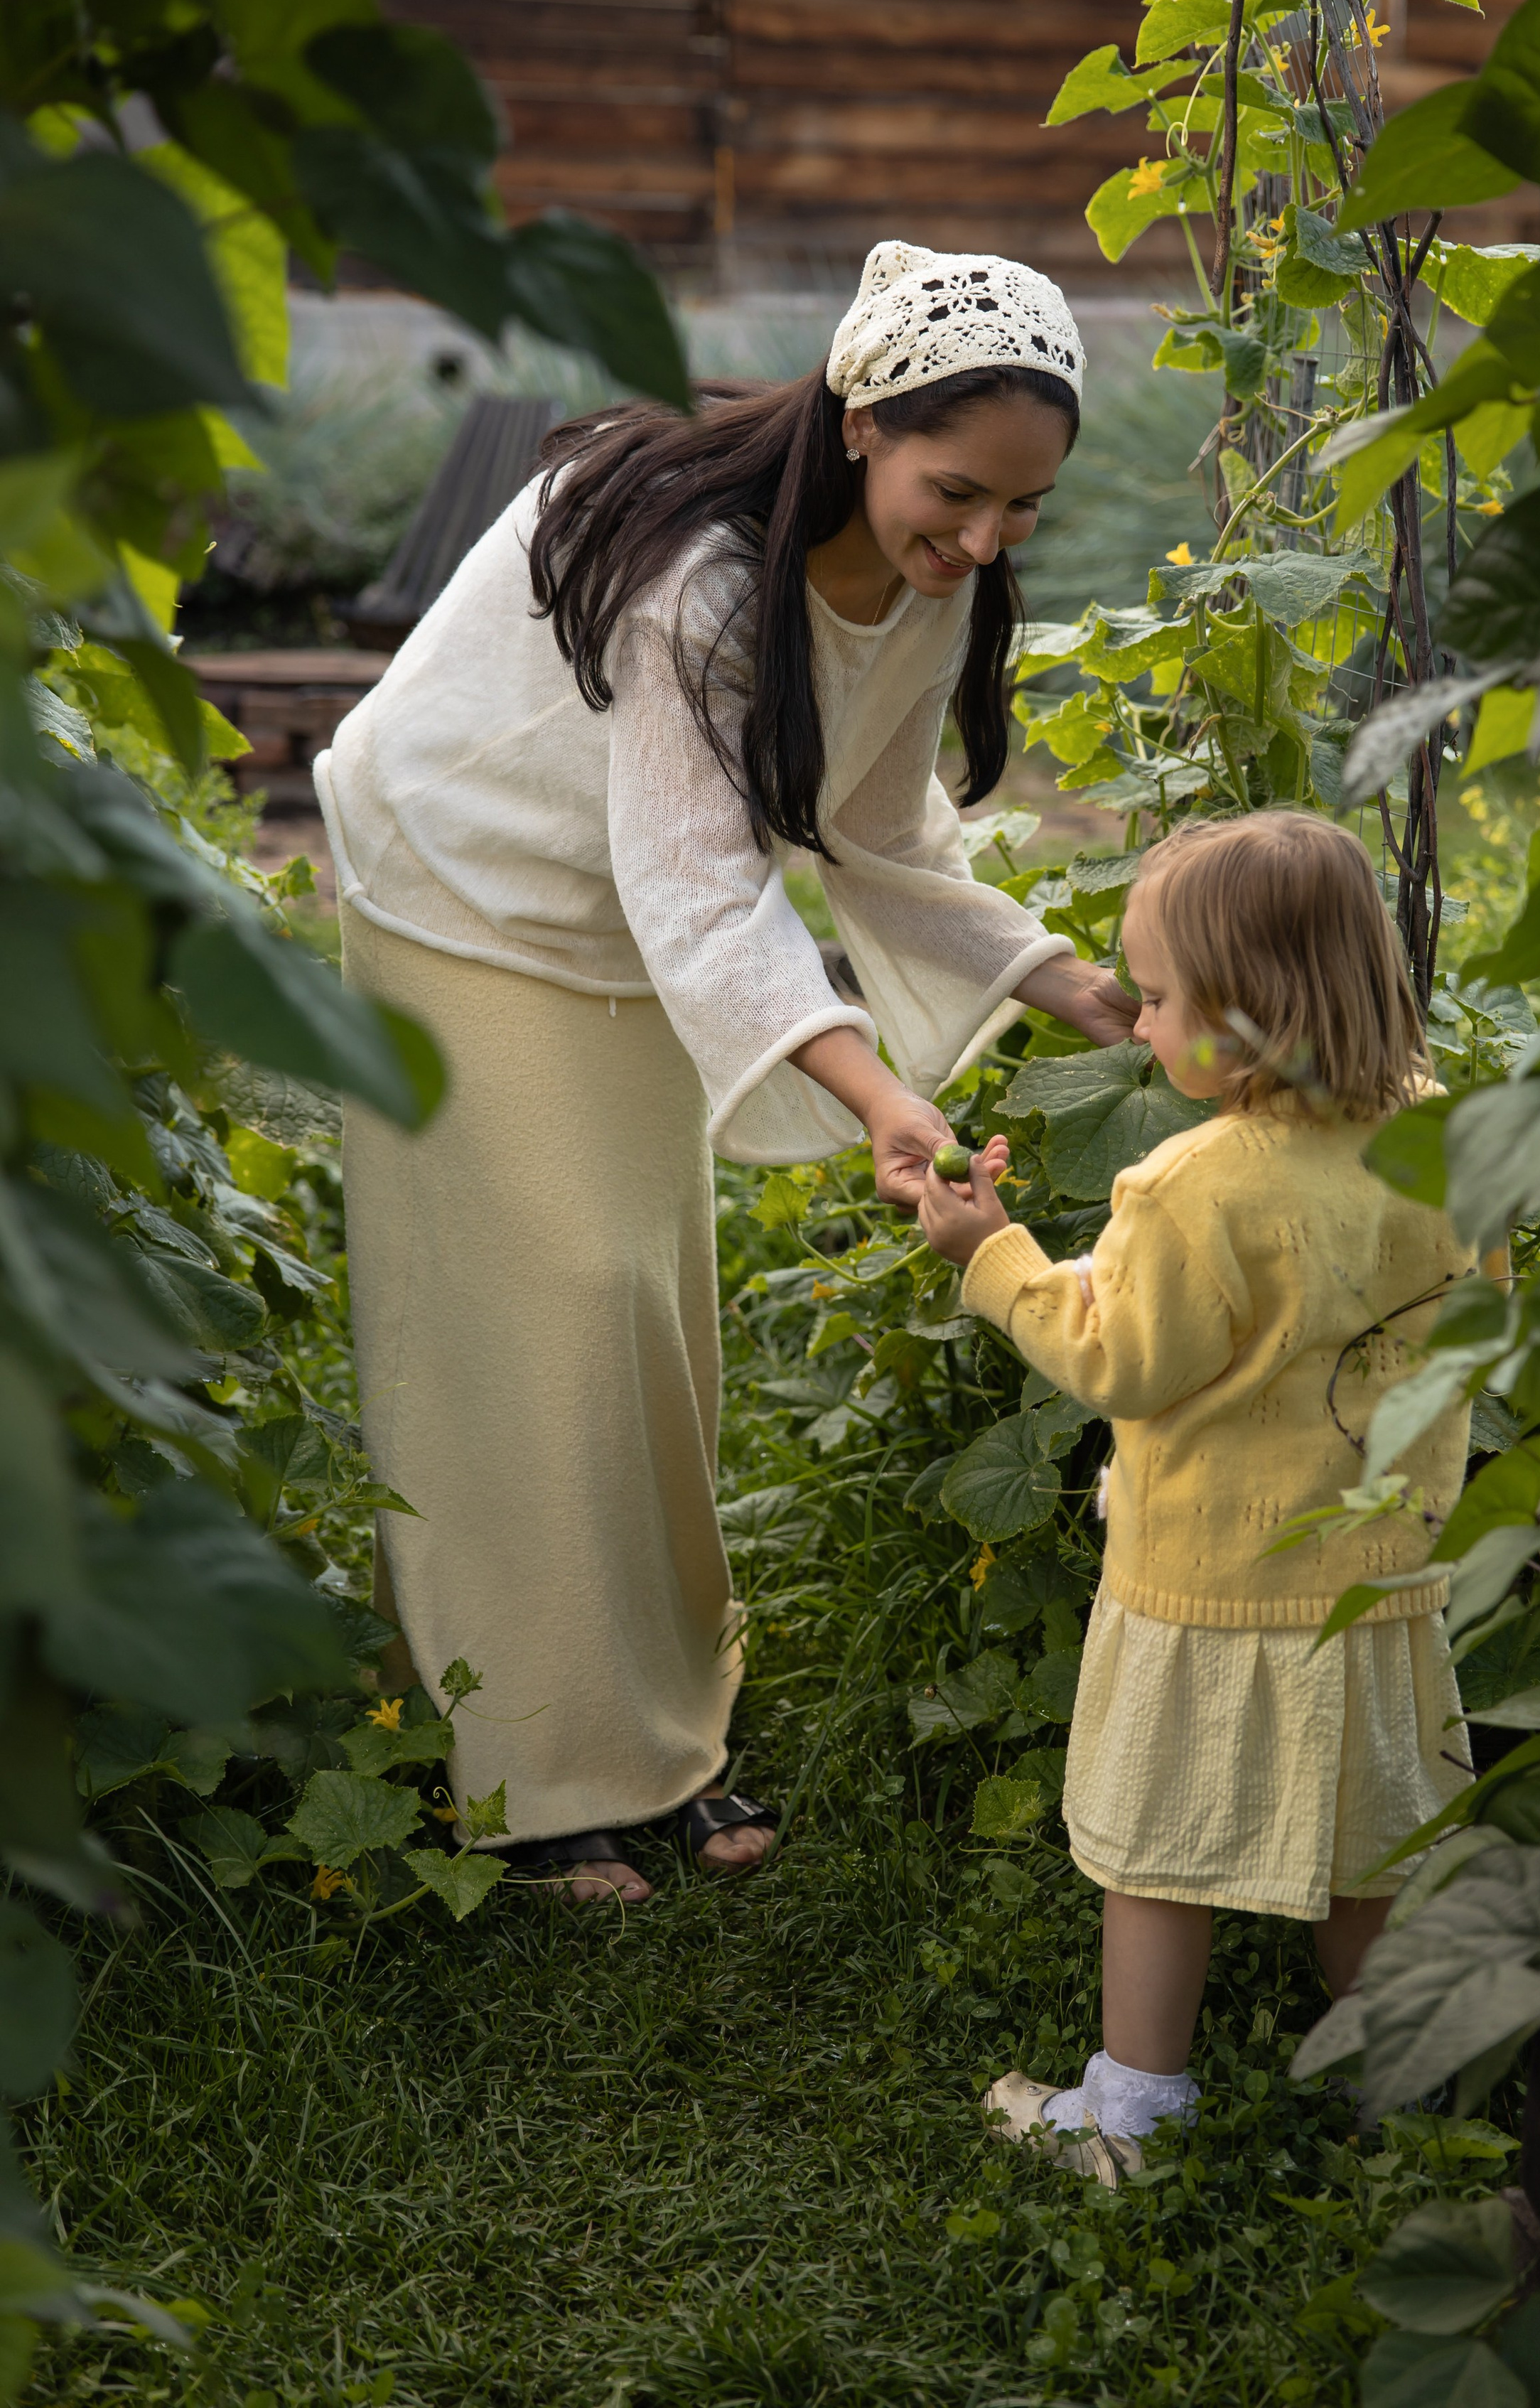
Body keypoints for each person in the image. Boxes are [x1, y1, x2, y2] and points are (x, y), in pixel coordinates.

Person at [314, 240, 1136, 1908]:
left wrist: (1073, 983)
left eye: (1020, 512)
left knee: (650, 1319)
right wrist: (874, 1091)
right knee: (535, 1318)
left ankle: (655, 1741)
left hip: (616, 919)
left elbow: (879, 839)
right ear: (858, 422)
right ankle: (529, 1773)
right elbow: (706, 886)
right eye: (956, 492)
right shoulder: (697, 573)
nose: (981, 542)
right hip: (460, 893)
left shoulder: (931, 580)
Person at [917, 810, 1475, 2180]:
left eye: (1160, 998)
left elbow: (1122, 1360)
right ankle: (1397, 2092)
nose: (1140, 1022)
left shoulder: (1187, 1185)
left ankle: (1132, 2119)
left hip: (1209, 1586)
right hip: (1377, 1577)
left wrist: (997, 1259)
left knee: (1156, 1854)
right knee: (1367, 1848)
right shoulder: (1448, 1145)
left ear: (1254, 1011)